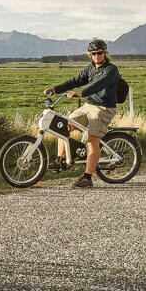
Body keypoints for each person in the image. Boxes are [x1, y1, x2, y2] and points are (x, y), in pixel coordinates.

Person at [44, 38, 120, 189]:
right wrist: (56, 89)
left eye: (99, 53)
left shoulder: (111, 70)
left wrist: (81, 93)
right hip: (89, 105)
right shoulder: (91, 68)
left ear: (105, 53)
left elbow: (100, 84)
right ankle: (61, 160)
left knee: (92, 141)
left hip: (104, 108)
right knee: (63, 125)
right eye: (93, 53)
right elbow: (76, 80)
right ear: (89, 55)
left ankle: (87, 178)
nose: (97, 56)